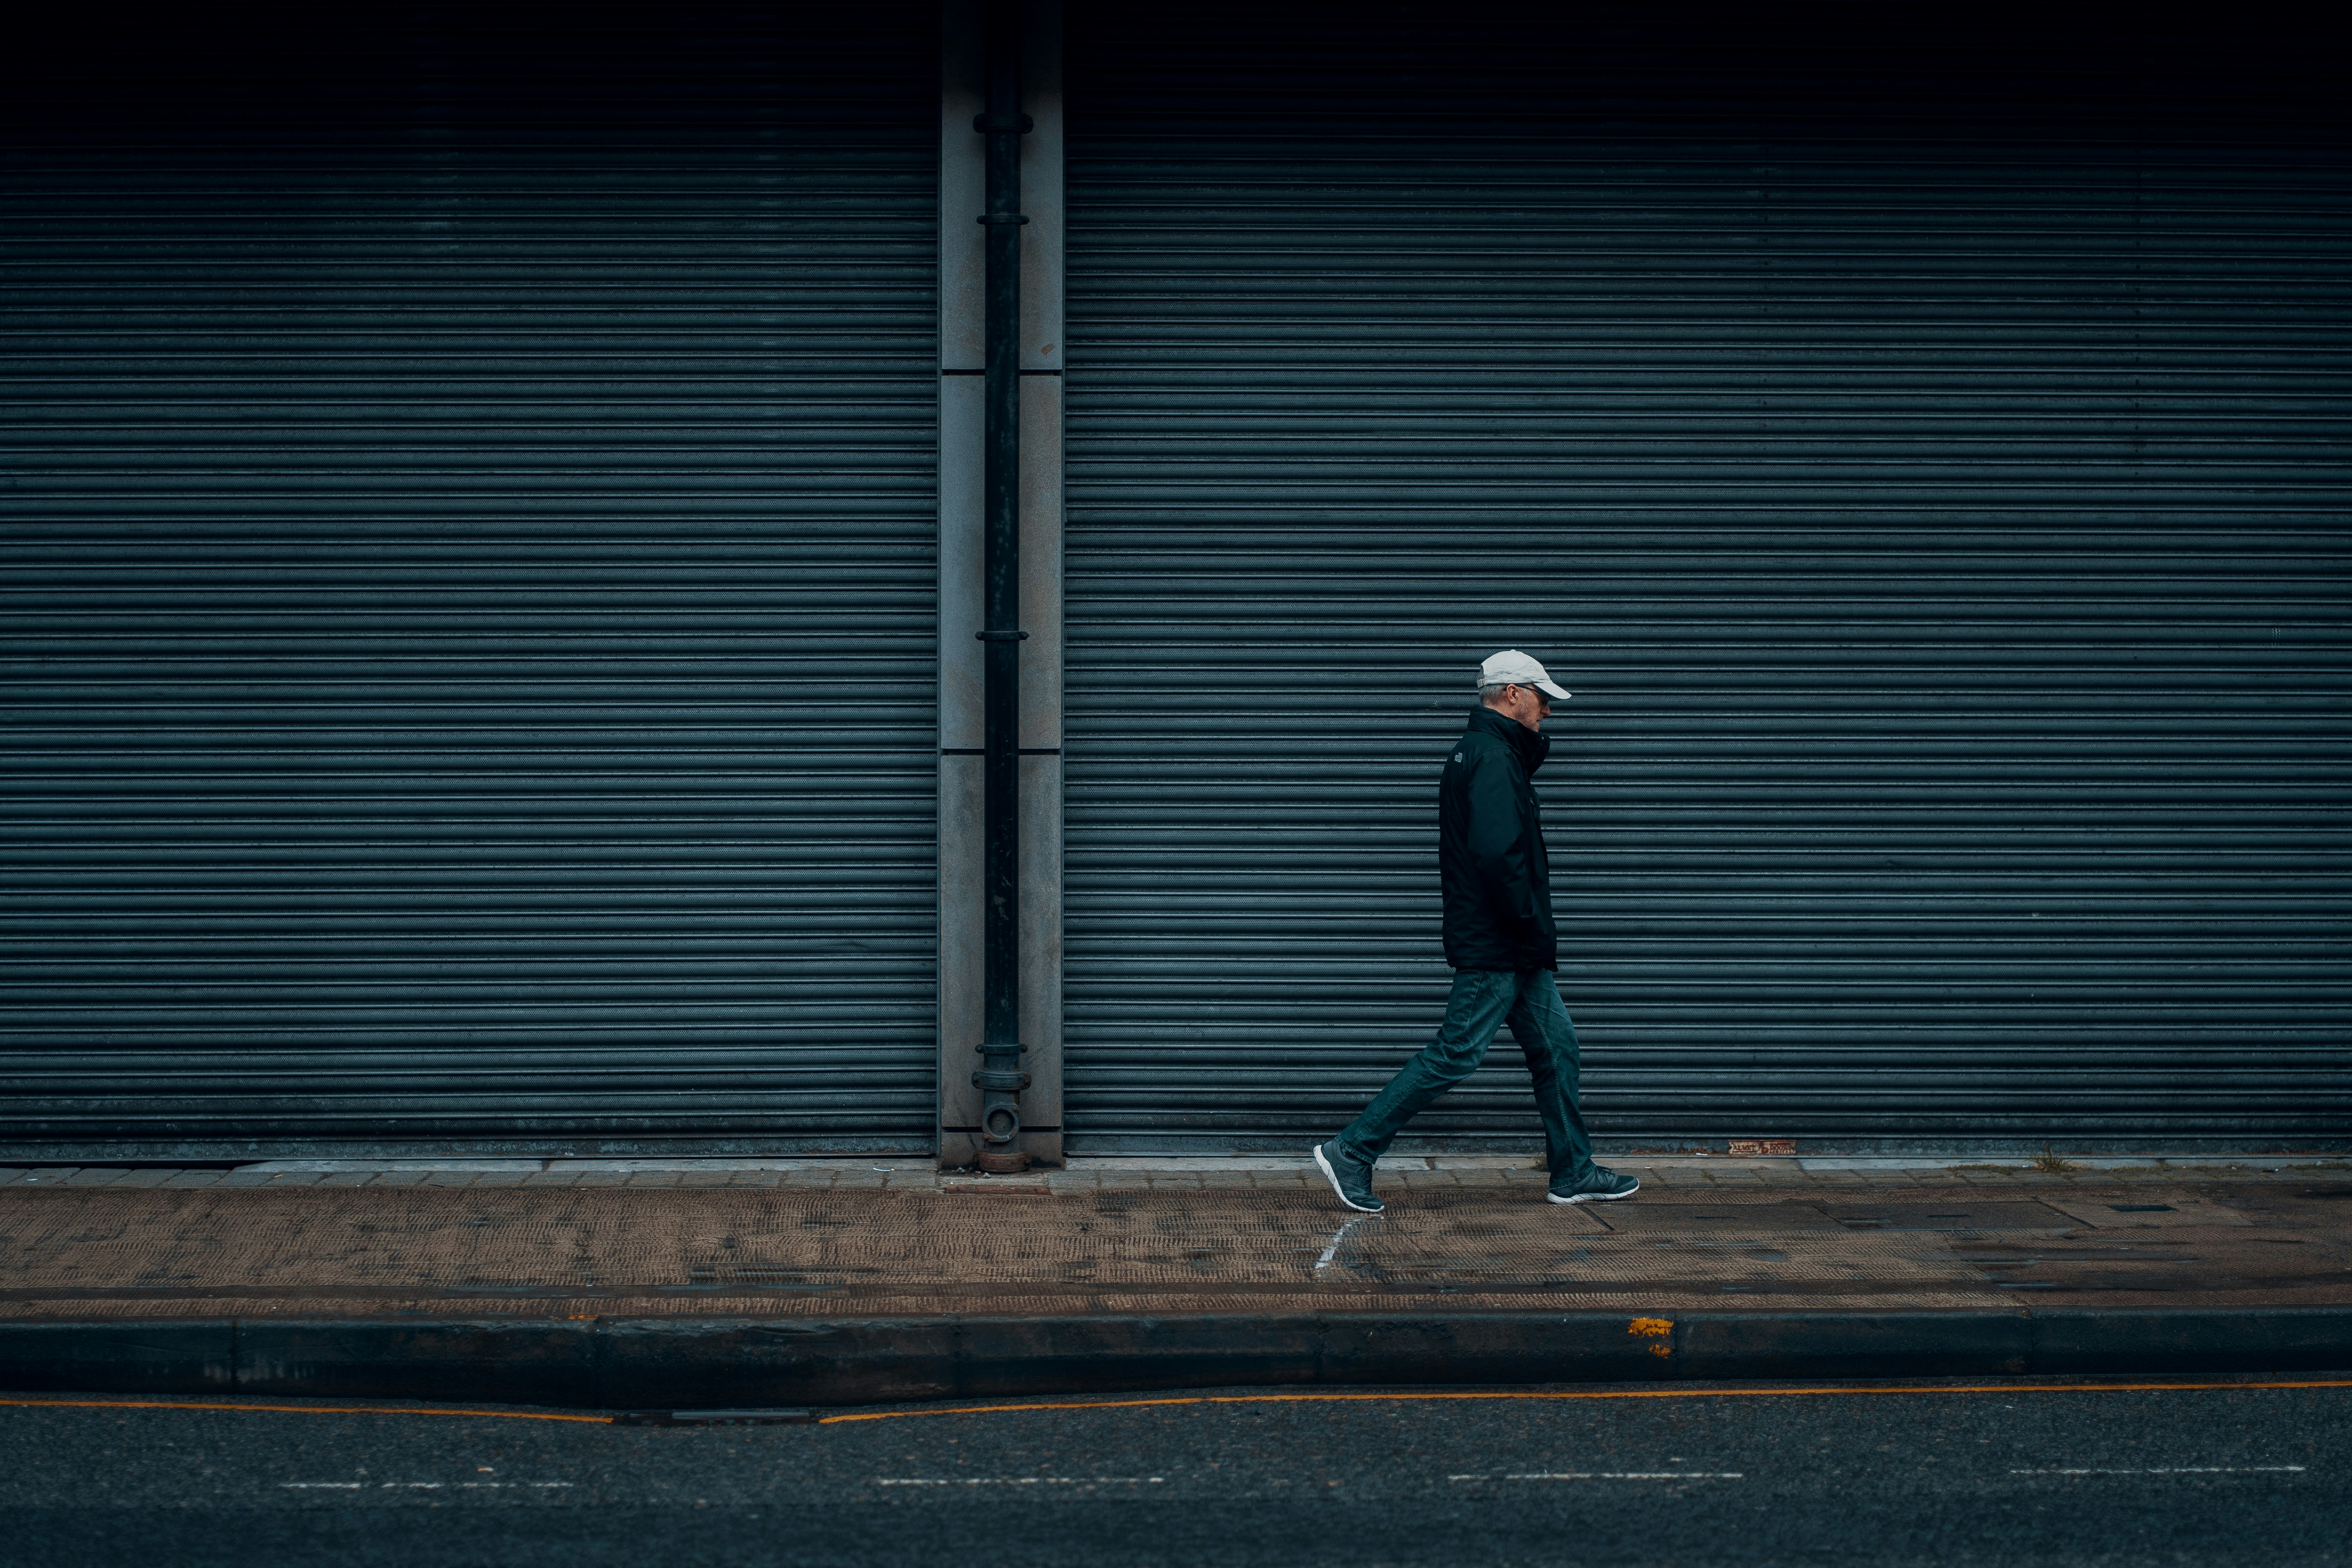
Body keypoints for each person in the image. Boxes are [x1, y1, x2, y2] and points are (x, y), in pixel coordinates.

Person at [1312, 650, 1640, 1214]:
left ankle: (1573, 1170)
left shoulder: (1487, 752)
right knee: (1457, 1052)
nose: (1548, 711)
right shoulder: (1491, 757)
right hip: (1501, 942)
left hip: (1513, 943)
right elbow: (1496, 853)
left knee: (1557, 1048)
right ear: (1512, 693)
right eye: (1542, 697)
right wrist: (1525, 922)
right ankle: (1353, 1149)